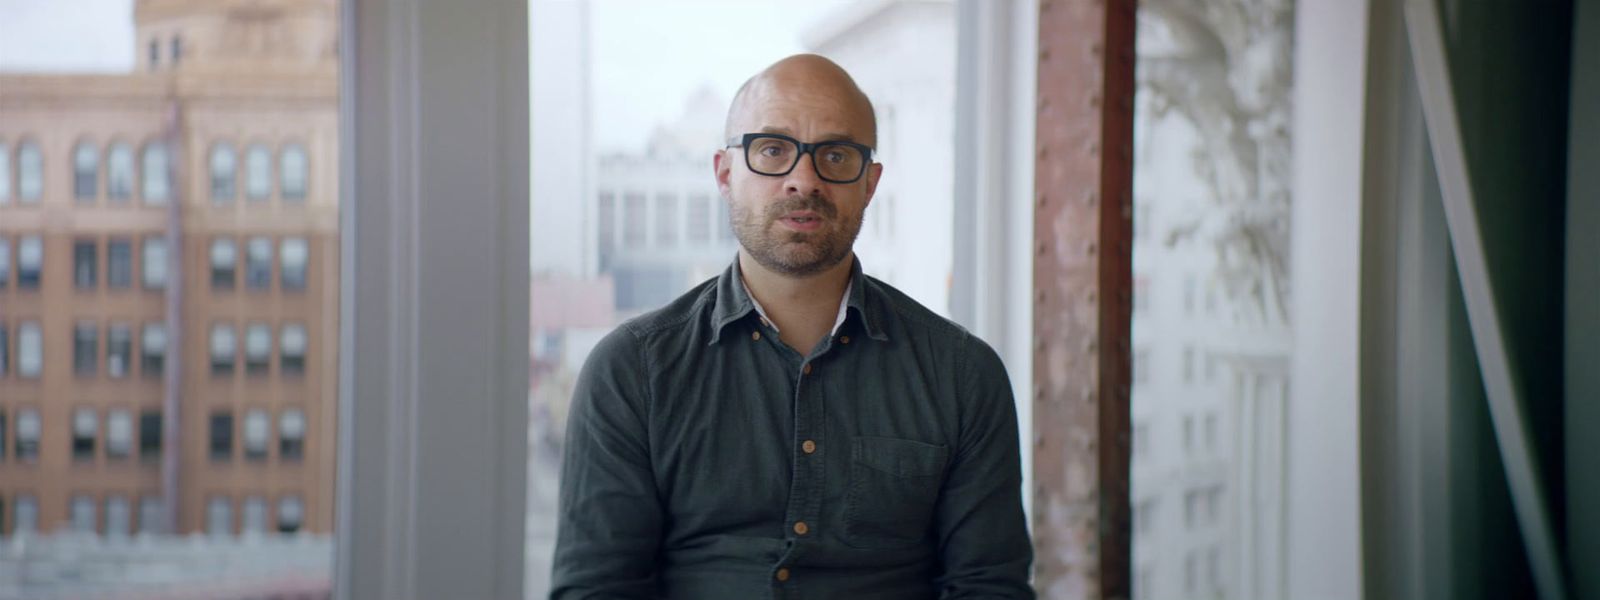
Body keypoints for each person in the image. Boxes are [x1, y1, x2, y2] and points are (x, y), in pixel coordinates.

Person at [551, 54, 1033, 599]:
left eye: (835, 154)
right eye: (773, 150)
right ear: (726, 173)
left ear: (869, 183)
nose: (803, 180)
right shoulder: (632, 371)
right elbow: (596, 589)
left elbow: (989, 588)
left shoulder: (963, 375)